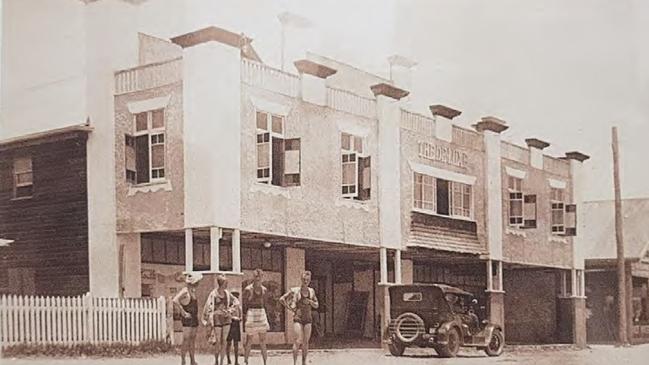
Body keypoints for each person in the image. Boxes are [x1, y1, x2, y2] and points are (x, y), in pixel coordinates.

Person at [280, 271, 319, 365]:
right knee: (298, 341)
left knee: (306, 342)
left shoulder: (311, 291)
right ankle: (294, 362)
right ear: (301, 280)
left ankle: (303, 362)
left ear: (309, 281)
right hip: (298, 317)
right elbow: (282, 299)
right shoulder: (295, 290)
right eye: (304, 280)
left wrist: (310, 302)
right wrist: (290, 308)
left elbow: (317, 305)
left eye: (307, 280)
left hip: (308, 318)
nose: (305, 281)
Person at [203, 275, 239, 365]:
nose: (226, 284)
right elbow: (208, 306)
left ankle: (222, 362)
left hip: (226, 319)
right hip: (217, 319)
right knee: (218, 341)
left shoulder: (227, 293)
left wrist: (230, 310)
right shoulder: (214, 293)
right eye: (225, 283)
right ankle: (216, 361)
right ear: (221, 283)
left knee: (224, 341)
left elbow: (236, 302)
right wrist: (212, 314)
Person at [172, 272, 203, 365]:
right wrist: (183, 312)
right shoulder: (185, 291)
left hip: (194, 317)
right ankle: (183, 360)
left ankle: (192, 360)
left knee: (192, 339)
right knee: (186, 339)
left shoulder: (193, 291)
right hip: (187, 318)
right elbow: (175, 300)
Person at [243, 269, 270, 365]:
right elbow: (245, 303)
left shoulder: (264, 290)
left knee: (262, 340)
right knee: (249, 339)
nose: (257, 279)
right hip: (251, 312)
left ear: (262, 277)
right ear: (253, 277)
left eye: (259, 277)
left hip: (261, 313)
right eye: (256, 277)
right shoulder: (248, 289)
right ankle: (246, 361)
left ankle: (265, 362)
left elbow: (265, 303)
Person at [226, 291, 242, 365]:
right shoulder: (228, 306)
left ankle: (236, 361)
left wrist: (239, 318)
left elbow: (241, 316)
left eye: (237, 296)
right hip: (230, 323)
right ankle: (228, 359)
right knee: (228, 342)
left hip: (236, 324)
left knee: (236, 343)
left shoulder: (238, 306)